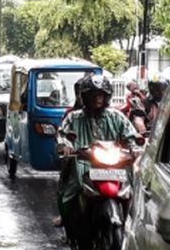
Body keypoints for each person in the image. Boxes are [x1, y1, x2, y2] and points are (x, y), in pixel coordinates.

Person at [56, 73, 139, 234]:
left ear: (107, 96)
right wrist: (65, 144)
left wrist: (135, 147)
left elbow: (131, 136)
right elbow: (63, 134)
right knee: (71, 190)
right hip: (84, 162)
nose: (97, 99)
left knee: (133, 188)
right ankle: (71, 226)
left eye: (100, 95)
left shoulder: (117, 116)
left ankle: (129, 226)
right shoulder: (74, 117)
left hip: (115, 164)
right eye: (93, 95)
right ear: (85, 97)